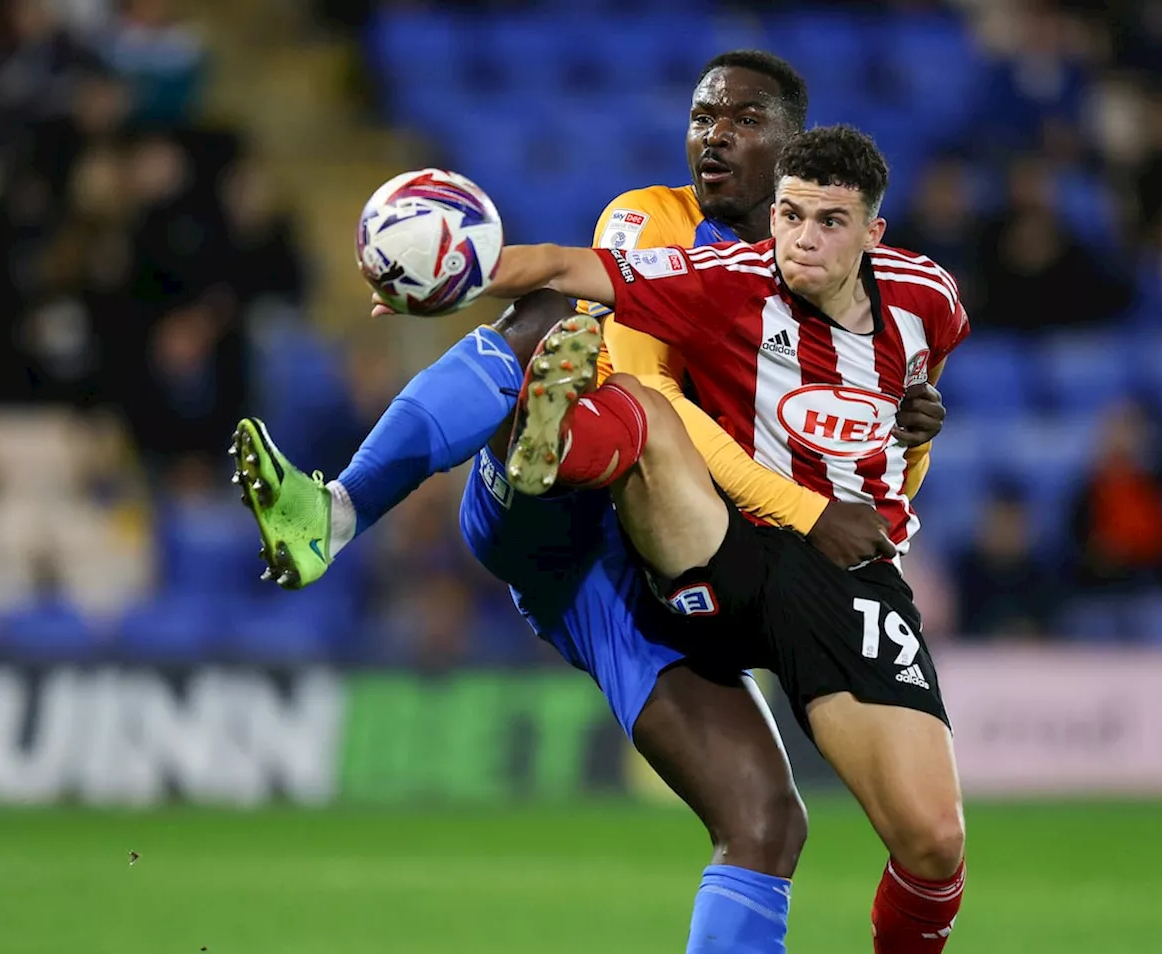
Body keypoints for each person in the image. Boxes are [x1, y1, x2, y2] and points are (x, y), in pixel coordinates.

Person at [235, 52, 939, 954]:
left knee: (767, 820)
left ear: (797, 149)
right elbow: (657, 403)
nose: (713, 134)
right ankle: (344, 509)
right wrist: (463, 275)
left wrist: (911, 429)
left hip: (674, 575)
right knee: (557, 313)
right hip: (577, 515)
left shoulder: (840, 284)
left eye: (743, 119)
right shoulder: (654, 220)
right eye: (701, 116)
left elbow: (875, 478)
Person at [414, 124, 969, 953]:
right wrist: (446, 274)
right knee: (645, 399)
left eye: (829, 221)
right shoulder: (727, 278)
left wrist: (920, 431)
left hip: (847, 580)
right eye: (789, 215)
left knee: (933, 844)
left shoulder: (931, 301)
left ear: (873, 234)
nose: (802, 240)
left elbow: (896, 443)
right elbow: (569, 267)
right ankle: (558, 445)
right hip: (721, 545)